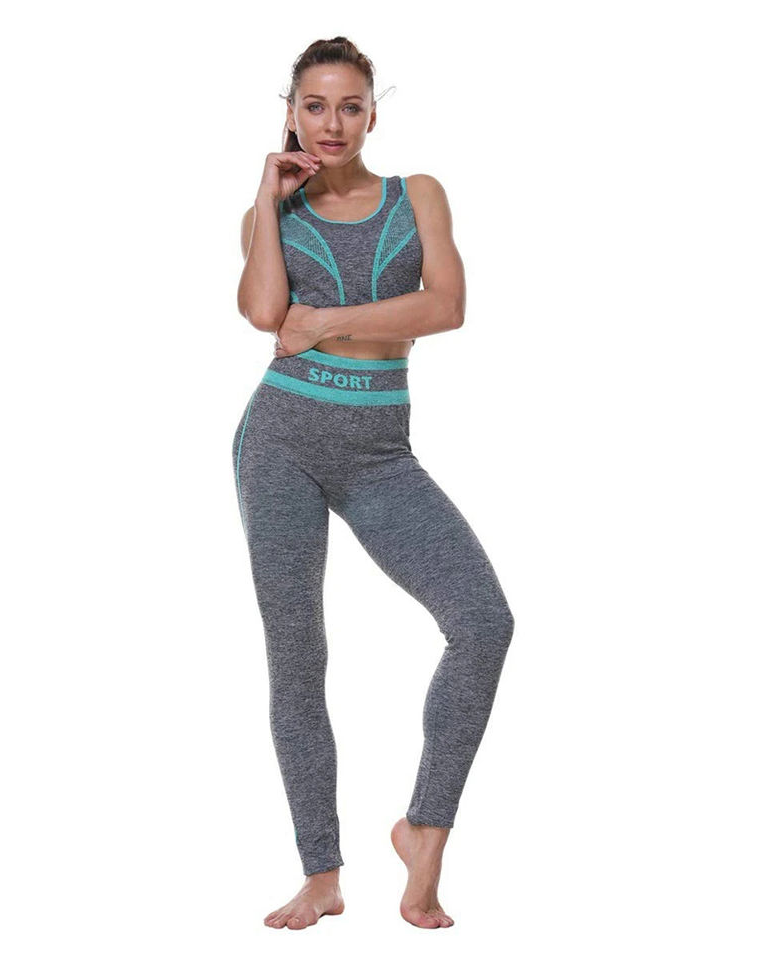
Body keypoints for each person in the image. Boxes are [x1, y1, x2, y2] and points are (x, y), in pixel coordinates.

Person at [233, 37, 514, 930]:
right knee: (298, 658)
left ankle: (423, 828)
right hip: (280, 441)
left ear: (372, 115)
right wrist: (264, 199)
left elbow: (446, 306)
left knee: (483, 622)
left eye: (349, 106)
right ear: (290, 113)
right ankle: (321, 875)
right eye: (314, 106)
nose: (332, 124)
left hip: (381, 453)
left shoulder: (416, 195)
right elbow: (264, 314)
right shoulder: (271, 211)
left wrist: (329, 321)